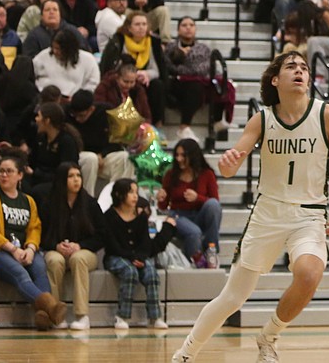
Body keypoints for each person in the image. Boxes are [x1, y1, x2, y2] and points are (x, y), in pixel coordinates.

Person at [171, 52, 329, 363]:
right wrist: (228, 162)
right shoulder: (263, 118)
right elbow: (231, 166)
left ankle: (268, 336)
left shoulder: (328, 115)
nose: (299, 71)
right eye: (291, 67)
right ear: (275, 79)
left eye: (304, 68)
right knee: (233, 297)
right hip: (267, 212)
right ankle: (185, 353)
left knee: (309, 274)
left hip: (309, 212)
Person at [0, 154, 68, 331]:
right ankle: (50, 307)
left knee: (40, 268)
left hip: (24, 250)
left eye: (9, 171)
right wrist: (12, 250)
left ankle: (43, 317)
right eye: (1, 171)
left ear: (20, 175)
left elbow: (35, 228)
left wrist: (31, 249)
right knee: (20, 274)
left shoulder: (28, 200)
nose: (4, 175)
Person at [41, 161, 106, 330]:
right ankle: (56, 314)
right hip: (56, 250)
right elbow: (41, 236)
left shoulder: (91, 203)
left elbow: (102, 235)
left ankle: (82, 315)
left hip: (85, 252)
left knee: (78, 258)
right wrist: (56, 246)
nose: (76, 180)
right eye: (71, 176)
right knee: (54, 261)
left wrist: (80, 245)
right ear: (62, 180)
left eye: (78, 176)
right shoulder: (49, 203)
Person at [103, 178, 173, 328]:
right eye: (130, 192)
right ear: (119, 194)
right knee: (130, 271)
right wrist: (131, 258)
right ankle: (122, 316)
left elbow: (145, 244)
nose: (135, 196)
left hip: (136, 257)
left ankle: (155, 317)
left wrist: (140, 257)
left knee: (151, 273)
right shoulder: (109, 216)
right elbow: (111, 245)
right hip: (115, 257)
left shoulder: (141, 217)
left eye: (136, 192)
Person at [157, 138, 222, 269]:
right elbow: (163, 206)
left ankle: (211, 248)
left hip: (199, 215)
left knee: (213, 205)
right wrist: (161, 198)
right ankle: (196, 262)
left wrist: (198, 198)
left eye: (183, 155)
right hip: (178, 216)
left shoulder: (207, 174)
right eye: (177, 155)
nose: (179, 159)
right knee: (194, 232)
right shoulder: (171, 174)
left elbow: (215, 201)